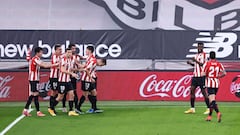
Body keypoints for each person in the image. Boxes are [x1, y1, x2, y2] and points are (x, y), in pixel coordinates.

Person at [22, 47, 58, 117]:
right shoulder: (35, 59)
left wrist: (28, 53)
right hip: (33, 79)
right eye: (41, 52)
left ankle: (27, 110)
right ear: (37, 53)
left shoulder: (35, 59)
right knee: (35, 94)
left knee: (33, 95)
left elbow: (29, 59)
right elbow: (44, 65)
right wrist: (55, 65)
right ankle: (36, 111)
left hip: (34, 79)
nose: (42, 53)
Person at [48, 48, 79, 116]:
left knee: (71, 94)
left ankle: (71, 110)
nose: (69, 54)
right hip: (62, 81)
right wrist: (71, 74)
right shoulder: (63, 59)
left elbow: (70, 68)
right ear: (66, 53)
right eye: (68, 52)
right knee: (60, 97)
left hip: (68, 80)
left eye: (70, 52)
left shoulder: (71, 60)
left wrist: (81, 69)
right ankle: (51, 108)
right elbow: (62, 70)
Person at [77, 46, 106, 113]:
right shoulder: (91, 59)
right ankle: (78, 108)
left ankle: (94, 108)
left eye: (86, 50)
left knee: (94, 92)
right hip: (86, 79)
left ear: (89, 51)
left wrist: (79, 64)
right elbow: (86, 69)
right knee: (85, 94)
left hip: (88, 79)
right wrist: (91, 78)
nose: (85, 51)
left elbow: (86, 68)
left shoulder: (92, 60)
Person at [185, 42, 210, 114]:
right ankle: (192, 108)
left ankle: (208, 108)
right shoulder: (196, 55)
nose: (200, 48)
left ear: (203, 47)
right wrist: (191, 63)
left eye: (201, 47)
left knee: (204, 92)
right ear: (197, 47)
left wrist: (195, 61)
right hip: (195, 76)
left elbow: (203, 65)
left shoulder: (205, 55)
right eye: (199, 47)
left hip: (201, 76)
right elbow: (196, 65)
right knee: (192, 90)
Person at [202, 51, 226, 122]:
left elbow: (203, 73)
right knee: (212, 100)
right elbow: (224, 73)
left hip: (210, 83)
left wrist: (205, 79)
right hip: (216, 83)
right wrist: (218, 76)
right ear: (215, 56)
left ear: (209, 56)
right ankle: (209, 116)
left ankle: (218, 112)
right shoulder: (219, 64)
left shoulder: (207, 64)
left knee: (212, 101)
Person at [62, 44, 83, 112]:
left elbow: (79, 65)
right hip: (66, 77)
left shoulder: (76, 57)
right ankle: (64, 106)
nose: (74, 50)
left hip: (73, 77)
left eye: (75, 48)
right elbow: (64, 68)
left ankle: (75, 108)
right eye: (73, 49)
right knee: (64, 93)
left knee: (73, 92)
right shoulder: (64, 57)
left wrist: (82, 68)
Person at [48, 45, 62, 113]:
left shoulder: (61, 56)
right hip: (54, 77)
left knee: (58, 93)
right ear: (55, 50)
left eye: (61, 49)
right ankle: (51, 108)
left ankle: (52, 107)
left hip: (59, 77)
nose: (61, 51)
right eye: (59, 49)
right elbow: (55, 65)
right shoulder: (54, 56)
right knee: (53, 92)